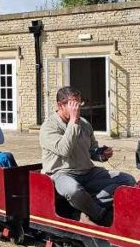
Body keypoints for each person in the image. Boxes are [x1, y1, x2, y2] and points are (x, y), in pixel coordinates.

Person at [40, 86, 134, 227]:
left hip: (88, 172)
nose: (77, 108)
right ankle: (99, 215)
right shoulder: (49, 126)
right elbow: (64, 150)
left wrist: (101, 154)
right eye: (73, 103)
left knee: (128, 180)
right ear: (60, 105)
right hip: (61, 173)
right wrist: (73, 121)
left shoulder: (85, 124)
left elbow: (91, 150)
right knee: (73, 190)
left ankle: (84, 210)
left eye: (79, 103)